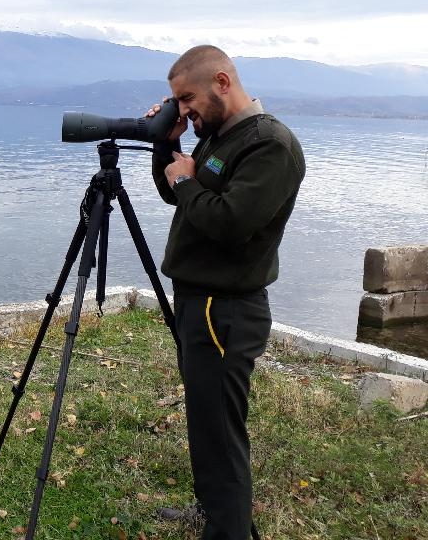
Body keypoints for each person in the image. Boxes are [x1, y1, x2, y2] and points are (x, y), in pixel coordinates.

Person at [148, 45, 305, 539]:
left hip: (226, 309)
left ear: (221, 81)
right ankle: (213, 510)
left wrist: (189, 183)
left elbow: (232, 222)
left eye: (187, 99)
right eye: (178, 102)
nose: (184, 109)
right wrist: (165, 148)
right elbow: (179, 193)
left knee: (220, 430)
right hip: (202, 300)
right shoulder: (215, 136)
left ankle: (228, 530)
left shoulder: (270, 146)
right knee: (206, 421)